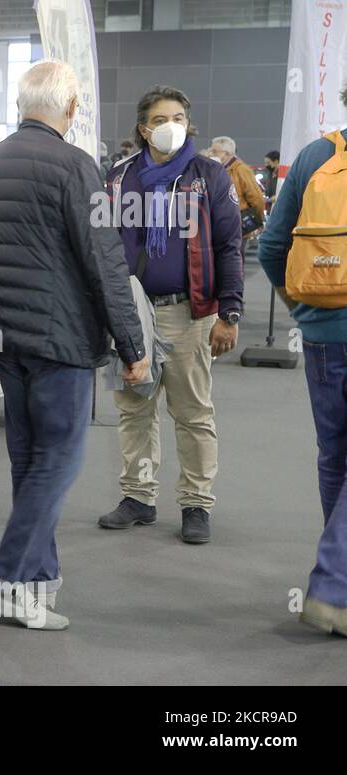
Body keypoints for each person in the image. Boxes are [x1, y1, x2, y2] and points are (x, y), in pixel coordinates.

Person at [0, 60, 148, 631]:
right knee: (58, 460)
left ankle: (34, 588)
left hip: (5, 343)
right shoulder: (75, 166)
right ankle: (12, 579)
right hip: (58, 342)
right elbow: (104, 261)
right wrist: (132, 345)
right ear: (69, 108)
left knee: (29, 462)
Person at [100, 85, 244, 544]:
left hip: (190, 313)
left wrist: (230, 311)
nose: (173, 126)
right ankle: (138, 497)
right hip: (132, 314)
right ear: (144, 129)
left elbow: (228, 245)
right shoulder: (120, 178)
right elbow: (102, 244)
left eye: (180, 117)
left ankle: (196, 504)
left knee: (193, 413)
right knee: (134, 409)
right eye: (163, 119)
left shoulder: (208, 175)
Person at [257, 87, 347, 636]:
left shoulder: (316, 156)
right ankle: (333, 586)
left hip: (322, 337)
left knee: (335, 457)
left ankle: (341, 591)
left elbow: (271, 248)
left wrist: (306, 310)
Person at [210, 135, 266, 240]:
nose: (211, 154)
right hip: (221, 225)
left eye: (214, 151)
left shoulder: (241, 169)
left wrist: (255, 219)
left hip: (238, 226)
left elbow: (256, 198)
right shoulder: (219, 170)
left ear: (225, 153)